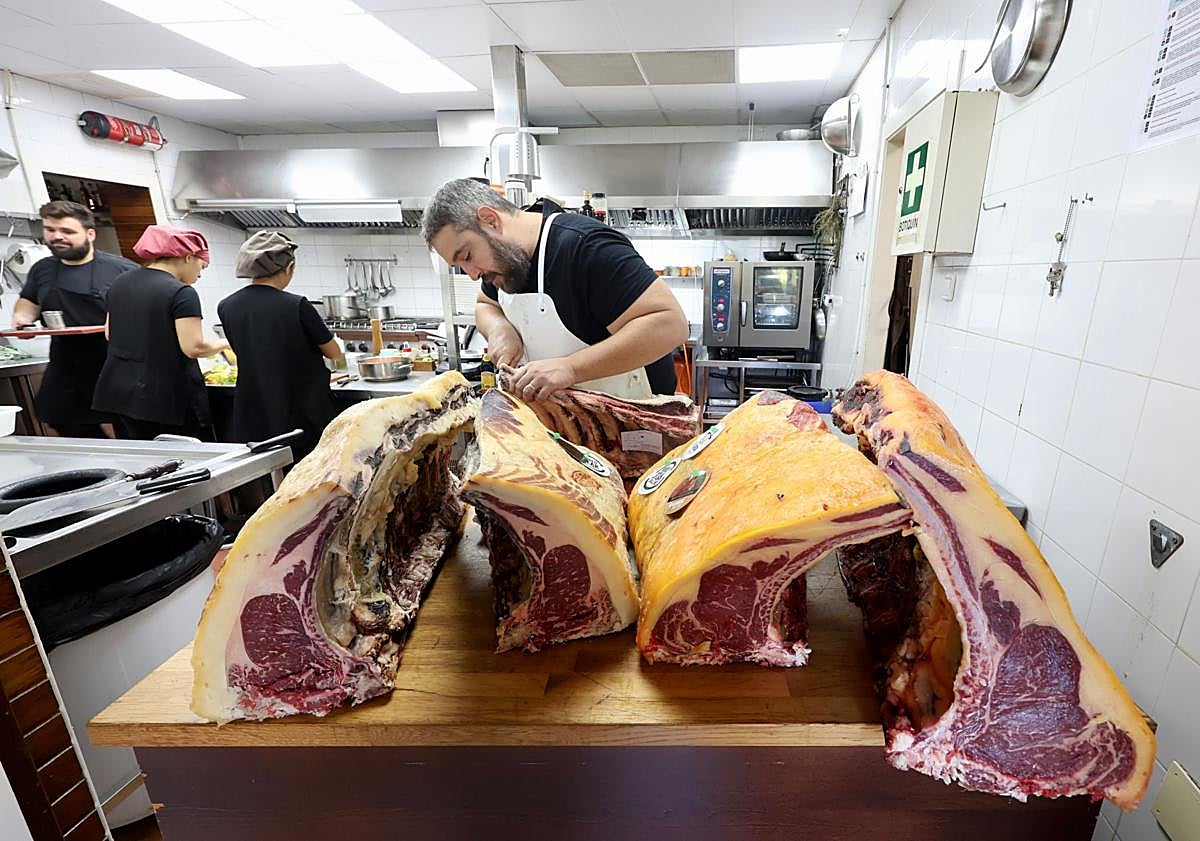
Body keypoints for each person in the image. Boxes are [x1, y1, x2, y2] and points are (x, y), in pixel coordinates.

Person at [422, 178, 688, 401]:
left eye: (467, 255)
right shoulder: (501, 263)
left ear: (490, 220)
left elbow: (670, 324)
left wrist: (570, 368)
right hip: (563, 425)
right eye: (459, 266)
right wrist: (499, 329)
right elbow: (485, 304)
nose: (472, 274)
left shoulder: (586, 248)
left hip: (633, 421)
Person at [11, 201, 136, 437]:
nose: (57, 236)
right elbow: (29, 301)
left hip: (115, 366)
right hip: (67, 367)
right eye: (50, 230)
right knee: (66, 425)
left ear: (90, 234)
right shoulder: (42, 269)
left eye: (67, 231)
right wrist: (22, 317)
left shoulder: (122, 270)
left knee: (130, 434)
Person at [217, 231, 343, 462]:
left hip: (254, 409)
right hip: (302, 410)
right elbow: (334, 353)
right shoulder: (297, 305)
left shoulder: (227, 306)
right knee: (308, 474)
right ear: (289, 268)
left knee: (266, 473)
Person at [92, 225, 227, 440]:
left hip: (121, 393)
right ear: (189, 257)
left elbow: (110, 332)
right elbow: (193, 347)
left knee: (145, 461)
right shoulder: (181, 292)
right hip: (166, 397)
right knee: (188, 464)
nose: (200, 274)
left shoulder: (121, 282)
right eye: (202, 266)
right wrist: (226, 343)